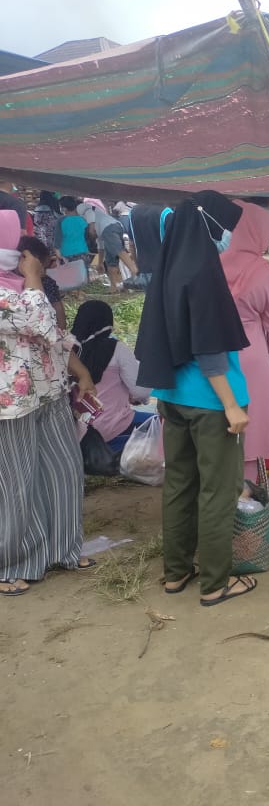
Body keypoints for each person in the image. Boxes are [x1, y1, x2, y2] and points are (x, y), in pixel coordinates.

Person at [135, 190, 256, 607]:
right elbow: (209, 349)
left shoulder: (168, 269)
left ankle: (176, 573)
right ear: (208, 227)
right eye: (222, 230)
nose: (225, 238)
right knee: (217, 492)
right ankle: (216, 583)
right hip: (211, 403)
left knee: (180, 486)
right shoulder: (203, 275)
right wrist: (232, 405)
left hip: (172, 397)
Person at [0, 209, 96, 597]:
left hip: (49, 389)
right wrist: (35, 278)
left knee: (64, 468)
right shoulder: (19, 288)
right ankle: (13, 563)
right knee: (17, 483)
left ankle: (63, 549)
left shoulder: (18, 282)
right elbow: (38, 320)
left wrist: (80, 372)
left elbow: (53, 333)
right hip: (12, 403)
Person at [220, 201, 269, 480]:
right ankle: (246, 504)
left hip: (208, 354)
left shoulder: (209, 266)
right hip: (249, 359)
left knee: (214, 428)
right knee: (250, 436)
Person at [70, 300, 154, 453]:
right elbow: (141, 391)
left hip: (77, 436)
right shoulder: (116, 348)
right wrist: (138, 398)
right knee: (162, 424)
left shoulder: (69, 352)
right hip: (114, 428)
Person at [77, 202, 139, 292]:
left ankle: (134, 271)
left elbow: (90, 216)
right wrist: (100, 263)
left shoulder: (83, 208)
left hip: (109, 227)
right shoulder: (99, 231)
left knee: (118, 250)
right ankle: (114, 286)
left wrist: (91, 230)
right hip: (115, 226)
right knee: (110, 260)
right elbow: (101, 248)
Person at [16, 236, 66, 328]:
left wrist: (62, 333)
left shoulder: (47, 282)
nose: (44, 272)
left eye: (46, 268)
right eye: (41, 267)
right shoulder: (9, 282)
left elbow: (58, 310)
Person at [57, 196, 91, 262]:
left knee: (69, 272)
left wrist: (58, 255)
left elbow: (57, 239)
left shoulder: (61, 220)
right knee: (82, 272)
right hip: (82, 252)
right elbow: (87, 237)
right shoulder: (83, 220)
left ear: (64, 208)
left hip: (66, 254)